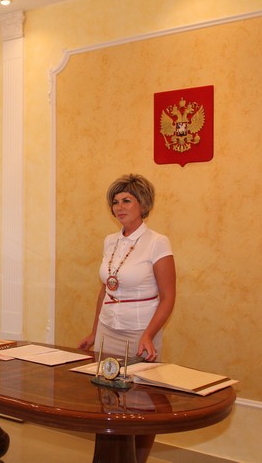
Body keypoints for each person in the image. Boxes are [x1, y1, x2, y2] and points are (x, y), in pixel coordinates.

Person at [78, 173, 176, 463]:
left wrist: (148, 335)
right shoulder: (110, 241)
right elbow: (105, 289)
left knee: (142, 403)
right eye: (115, 202)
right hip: (109, 329)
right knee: (106, 396)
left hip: (140, 332)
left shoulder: (157, 242)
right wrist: (94, 331)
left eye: (127, 201)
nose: (119, 207)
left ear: (142, 204)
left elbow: (168, 296)